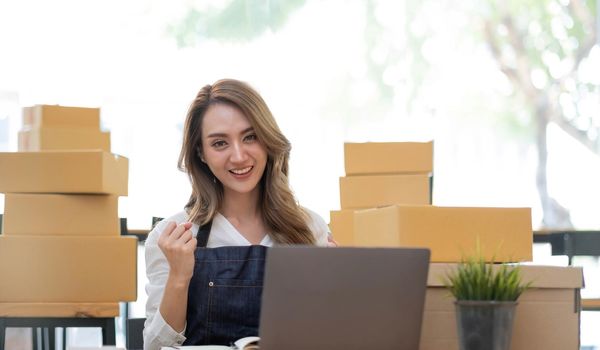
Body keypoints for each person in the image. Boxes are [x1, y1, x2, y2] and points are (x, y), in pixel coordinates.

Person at [143, 79, 332, 350]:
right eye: (220, 143)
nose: (239, 156)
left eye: (250, 137)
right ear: (201, 153)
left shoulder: (310, 228)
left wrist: (336, 293)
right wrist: (179, 277)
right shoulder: (171, 236)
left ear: (268, 141)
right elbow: (154, 347)